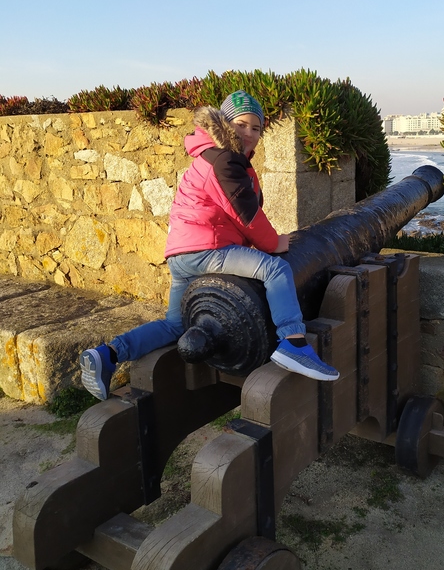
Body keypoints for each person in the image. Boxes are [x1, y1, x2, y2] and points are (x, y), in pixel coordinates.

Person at [79, 90, 340, 400]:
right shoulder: (224, 160)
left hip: (182, 253)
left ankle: (107, 355)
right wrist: (273, 243)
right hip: (206, 248)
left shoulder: (213, 156)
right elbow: (247, 215)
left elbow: (230, 214)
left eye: (256, 128)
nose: (249, 133)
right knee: (275, 269)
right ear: (225, 124)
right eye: (241, 125)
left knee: (174, 324)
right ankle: (293, 343)